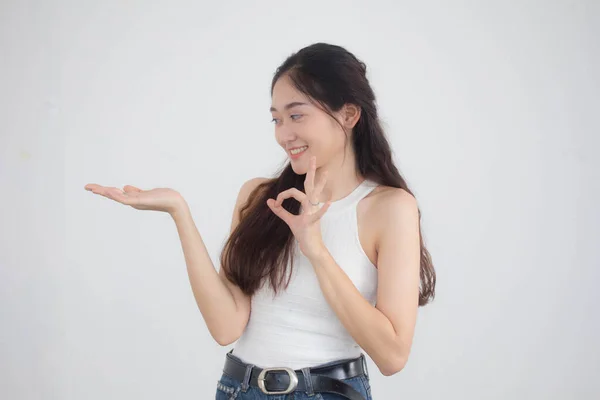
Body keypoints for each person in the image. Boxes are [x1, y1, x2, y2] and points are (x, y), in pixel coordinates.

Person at [84, 42, 436, 400]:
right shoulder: (260, 197)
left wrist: (315, 249)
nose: (284, 134)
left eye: (296, 116)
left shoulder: (389, 207)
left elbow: (392, 356)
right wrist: (179, 212)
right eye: (276, 119)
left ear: (348, 115)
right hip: (238, 389)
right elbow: (226, 326)